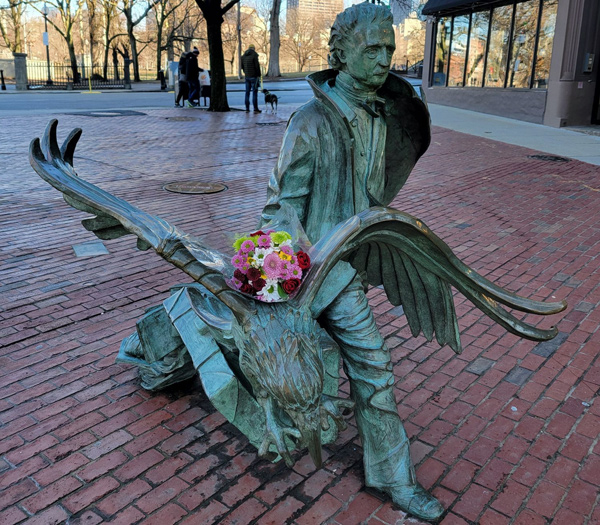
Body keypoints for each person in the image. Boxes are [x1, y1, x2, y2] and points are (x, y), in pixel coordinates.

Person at [260, 2, 441, 521]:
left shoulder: (379, 114)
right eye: (373, 49)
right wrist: (289, 287)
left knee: (374, 370)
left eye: (390, 49)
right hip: (309, 272)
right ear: (341, 52)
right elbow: (279, 206)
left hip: (347, 274)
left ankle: (392, 478)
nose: (385, 59)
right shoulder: (310, 121)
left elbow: (373, 195)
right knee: (280, 358)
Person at [241, 44, 261, 113]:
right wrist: (259, 75)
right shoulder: (254, 55)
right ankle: (255, 109)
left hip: (247, 77)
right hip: (254, 77)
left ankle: (247, 108)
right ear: (253, 48)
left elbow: (242, 66)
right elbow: (257, 66)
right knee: (254, 93)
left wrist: (245, 72)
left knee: (247, 93)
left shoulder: (243, 56)